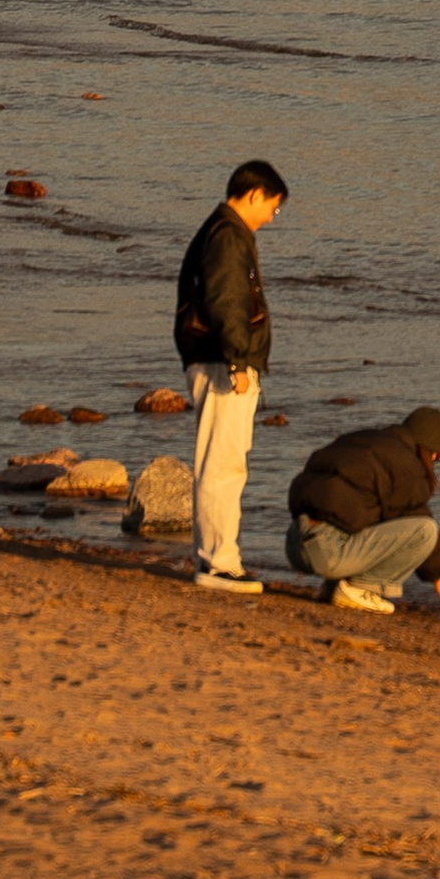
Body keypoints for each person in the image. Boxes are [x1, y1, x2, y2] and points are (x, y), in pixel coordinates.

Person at [172, 158, 287, 594]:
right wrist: (239, 361)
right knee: (222, 464)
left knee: (222, 462)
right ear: (254, 194)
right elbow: (225, 301)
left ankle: (214, 557)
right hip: (222, 364)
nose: (270, 218)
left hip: (219, 359)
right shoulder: (227, 235)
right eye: (272, 207)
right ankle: (219, 563)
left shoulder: (223, 231)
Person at [285, 407, 440, 616]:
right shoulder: (405, 462)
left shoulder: (365, 441)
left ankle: (333, 587)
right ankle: (360, 589)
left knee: (364, 511)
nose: (433, 463)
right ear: (429, 449)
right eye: (436, 458)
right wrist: (438, 576)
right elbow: (417, 515)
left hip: (295, 543)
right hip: (327, 554)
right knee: (425, 530)